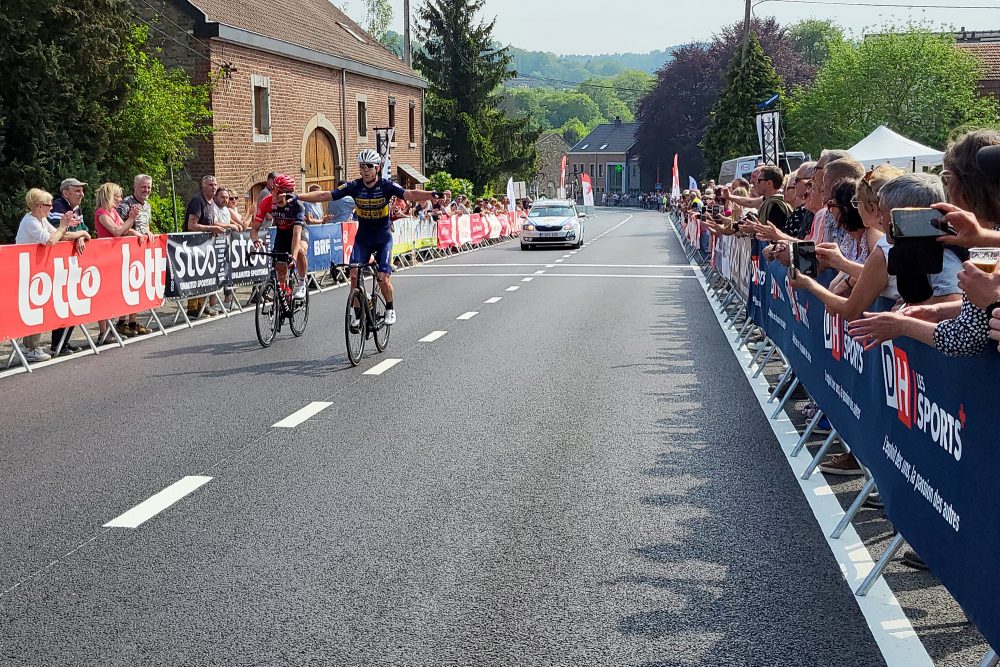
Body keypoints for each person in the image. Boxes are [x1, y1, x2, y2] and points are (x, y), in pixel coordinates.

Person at [293, 149, 441, 326]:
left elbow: (409, 194)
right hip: (362, 238)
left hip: (382, 238)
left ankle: (390, 307)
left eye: (368, 167)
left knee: (383, 279)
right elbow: (326, 195)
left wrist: (430, 194)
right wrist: (297, 197)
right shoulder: (354, 186)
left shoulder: (386, 186)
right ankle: (357, 314)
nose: (365, 170)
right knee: (354, 275)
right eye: (362, 167)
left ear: (377, 168)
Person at [14, 188, 78, 363]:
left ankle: (32, 346)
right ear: (37, 205)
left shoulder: (41, 220)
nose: (51, 208)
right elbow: (49, 240)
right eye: (48, 205)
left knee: (38, 306)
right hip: (27, 271)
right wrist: (63, 227)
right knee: (33, 307)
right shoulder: (30, 221)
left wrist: (79, 234)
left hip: (37, 271)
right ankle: (31, 347)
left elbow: (59, 236)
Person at [95, 182, 146, 340]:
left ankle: (111, 328)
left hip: (115, 258)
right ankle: (103, 331)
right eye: (117, 196)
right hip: (105, 257)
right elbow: (117, 231)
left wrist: (136, 233)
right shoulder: (101, 212)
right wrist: (131, 218)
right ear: (109, 196)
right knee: (104, 296)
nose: (120, 199)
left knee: (113, 295)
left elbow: (123, 228)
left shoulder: (113, 212)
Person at [47, 178, 92, 355]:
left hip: (73, 263)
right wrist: (80, 234)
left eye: (82, 191)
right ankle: (57, 343)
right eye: (77, 191)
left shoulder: (76, 208)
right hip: (57, 264)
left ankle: (63, 342)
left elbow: (83, 227)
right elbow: (60, 234)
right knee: (62, 302)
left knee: (73, 301)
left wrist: (79, 235)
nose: (81, 194)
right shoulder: (58, 207)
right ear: (66, 193)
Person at [251, 173, 308, 300]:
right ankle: (283, 295)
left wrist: (293, 258)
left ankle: (302, 283)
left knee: (300, 251)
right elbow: (255, 228)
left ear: (287, 194)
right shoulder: (267, 201)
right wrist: (255, 239)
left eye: (279, 192)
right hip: (282, 232)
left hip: (297, 231)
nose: (274, 194)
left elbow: (296, 235)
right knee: (280, 268)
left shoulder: (297, 205)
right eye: (274, 190)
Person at [185, 175, 227, 317]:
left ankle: (203, 306)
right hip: (194, 245)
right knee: (196, 275)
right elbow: (191, 225)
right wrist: (211, 229)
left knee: (205, 275)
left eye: (215, 184)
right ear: (203, 187)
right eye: (210, 185)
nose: (214, 187)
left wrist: (218, 228)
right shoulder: (198, 201)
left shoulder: (211, 203)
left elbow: (213, 222)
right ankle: (193, 309)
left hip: (206, 245)